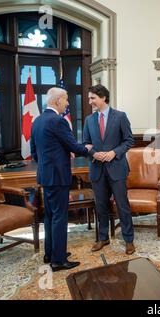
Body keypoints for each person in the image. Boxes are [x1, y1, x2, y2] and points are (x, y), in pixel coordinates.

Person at [31, 87, 94, 272]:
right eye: (66, 100)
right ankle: (58, 260)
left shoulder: (38, 121)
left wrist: (48, 163)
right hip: (58, 177)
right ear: (58, 100)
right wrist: (90, 149)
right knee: (59, 217)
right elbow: (74, 146)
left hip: (46, 176)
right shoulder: (58, 121)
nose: (67, 103)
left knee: (50, 216)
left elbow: (35, 152)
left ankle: (50, 253)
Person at [83, 84, 136, 254]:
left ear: (103, 98)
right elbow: (85, 143)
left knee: (122, 205)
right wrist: (93, 153)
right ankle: (103, 237)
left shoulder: (120, 116)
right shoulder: (89, 120)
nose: (90, 101)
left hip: (117, 168)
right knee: (101, 206)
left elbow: (129, 141)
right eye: (89, 98)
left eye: (92, 98)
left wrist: (114, 152)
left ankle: (129, 240)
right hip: (97, 169)